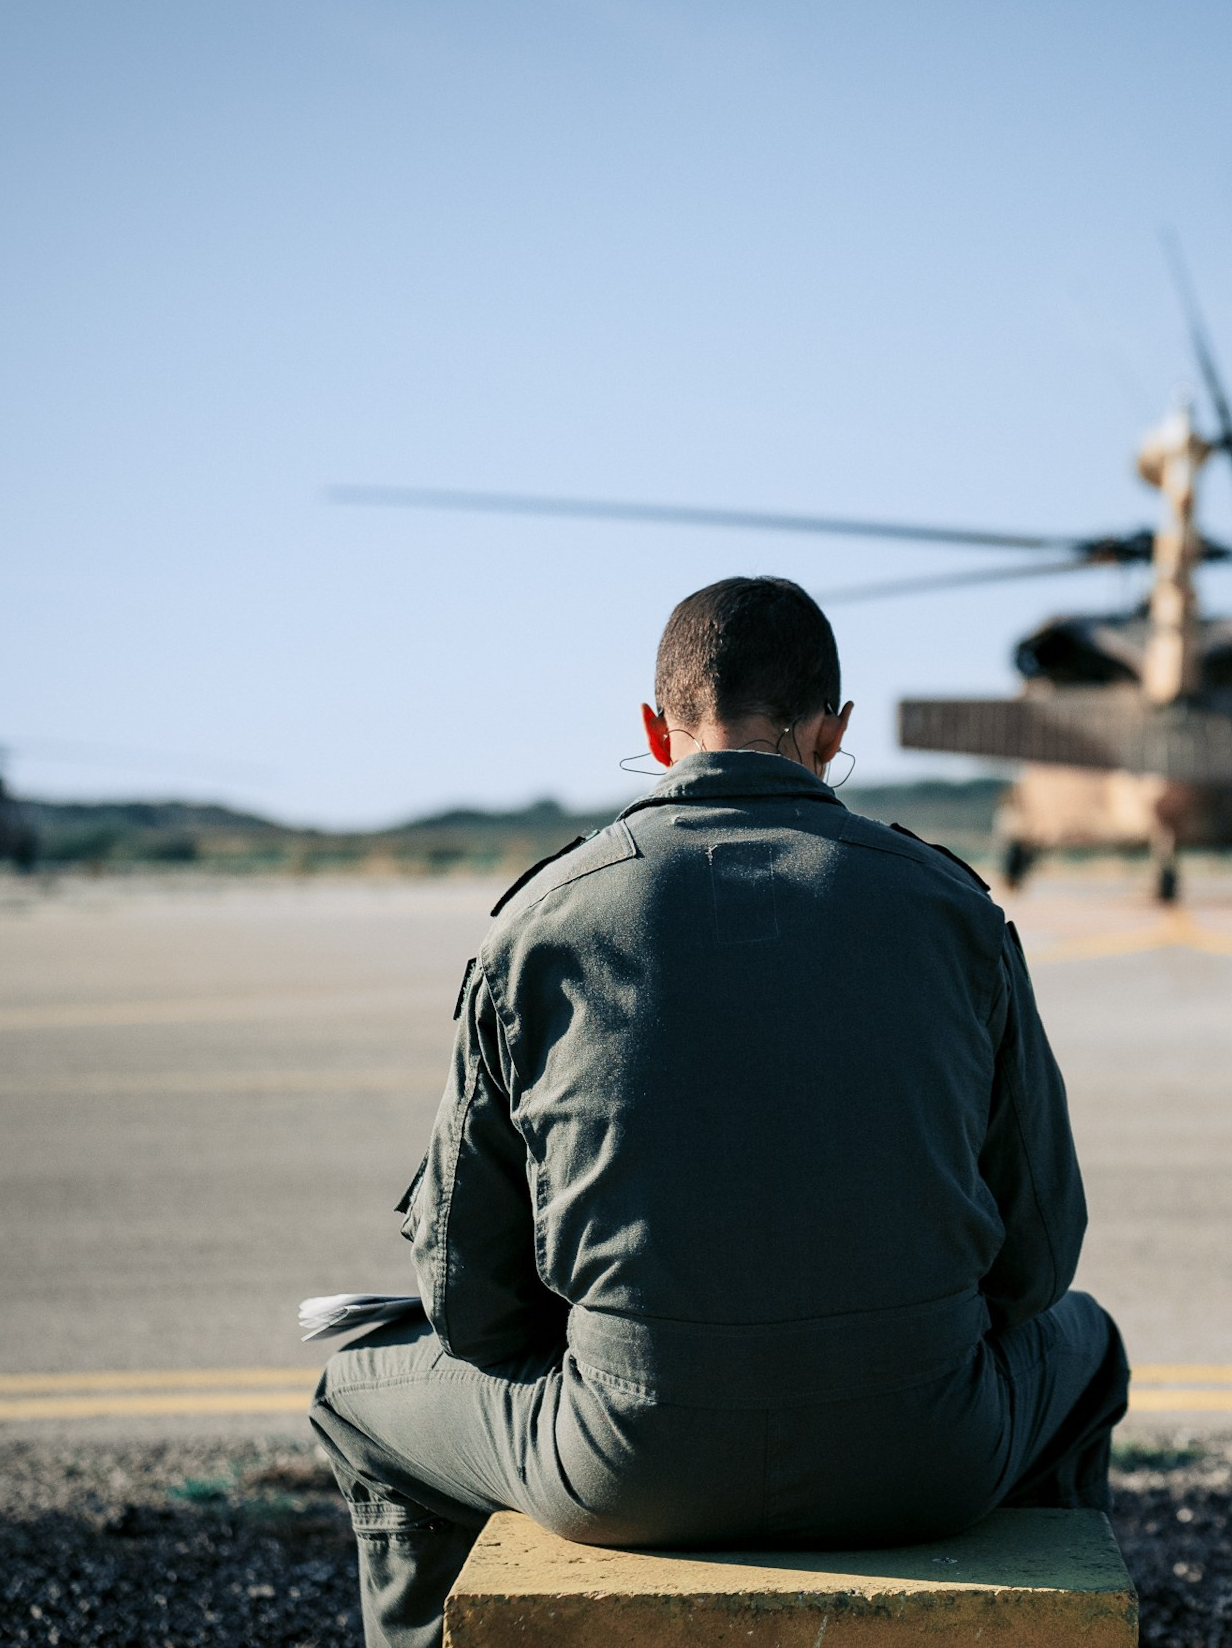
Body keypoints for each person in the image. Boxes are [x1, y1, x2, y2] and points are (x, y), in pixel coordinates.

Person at [312, 577, 1128, 1648]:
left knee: (352, 1399)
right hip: (929, 1459)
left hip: (620, 1462)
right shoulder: (953, 911)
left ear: (654, 730)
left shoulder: (541, 923)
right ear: (834, 731)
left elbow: (470, 1300)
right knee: (1087, 1345)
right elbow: (1037, 1260)